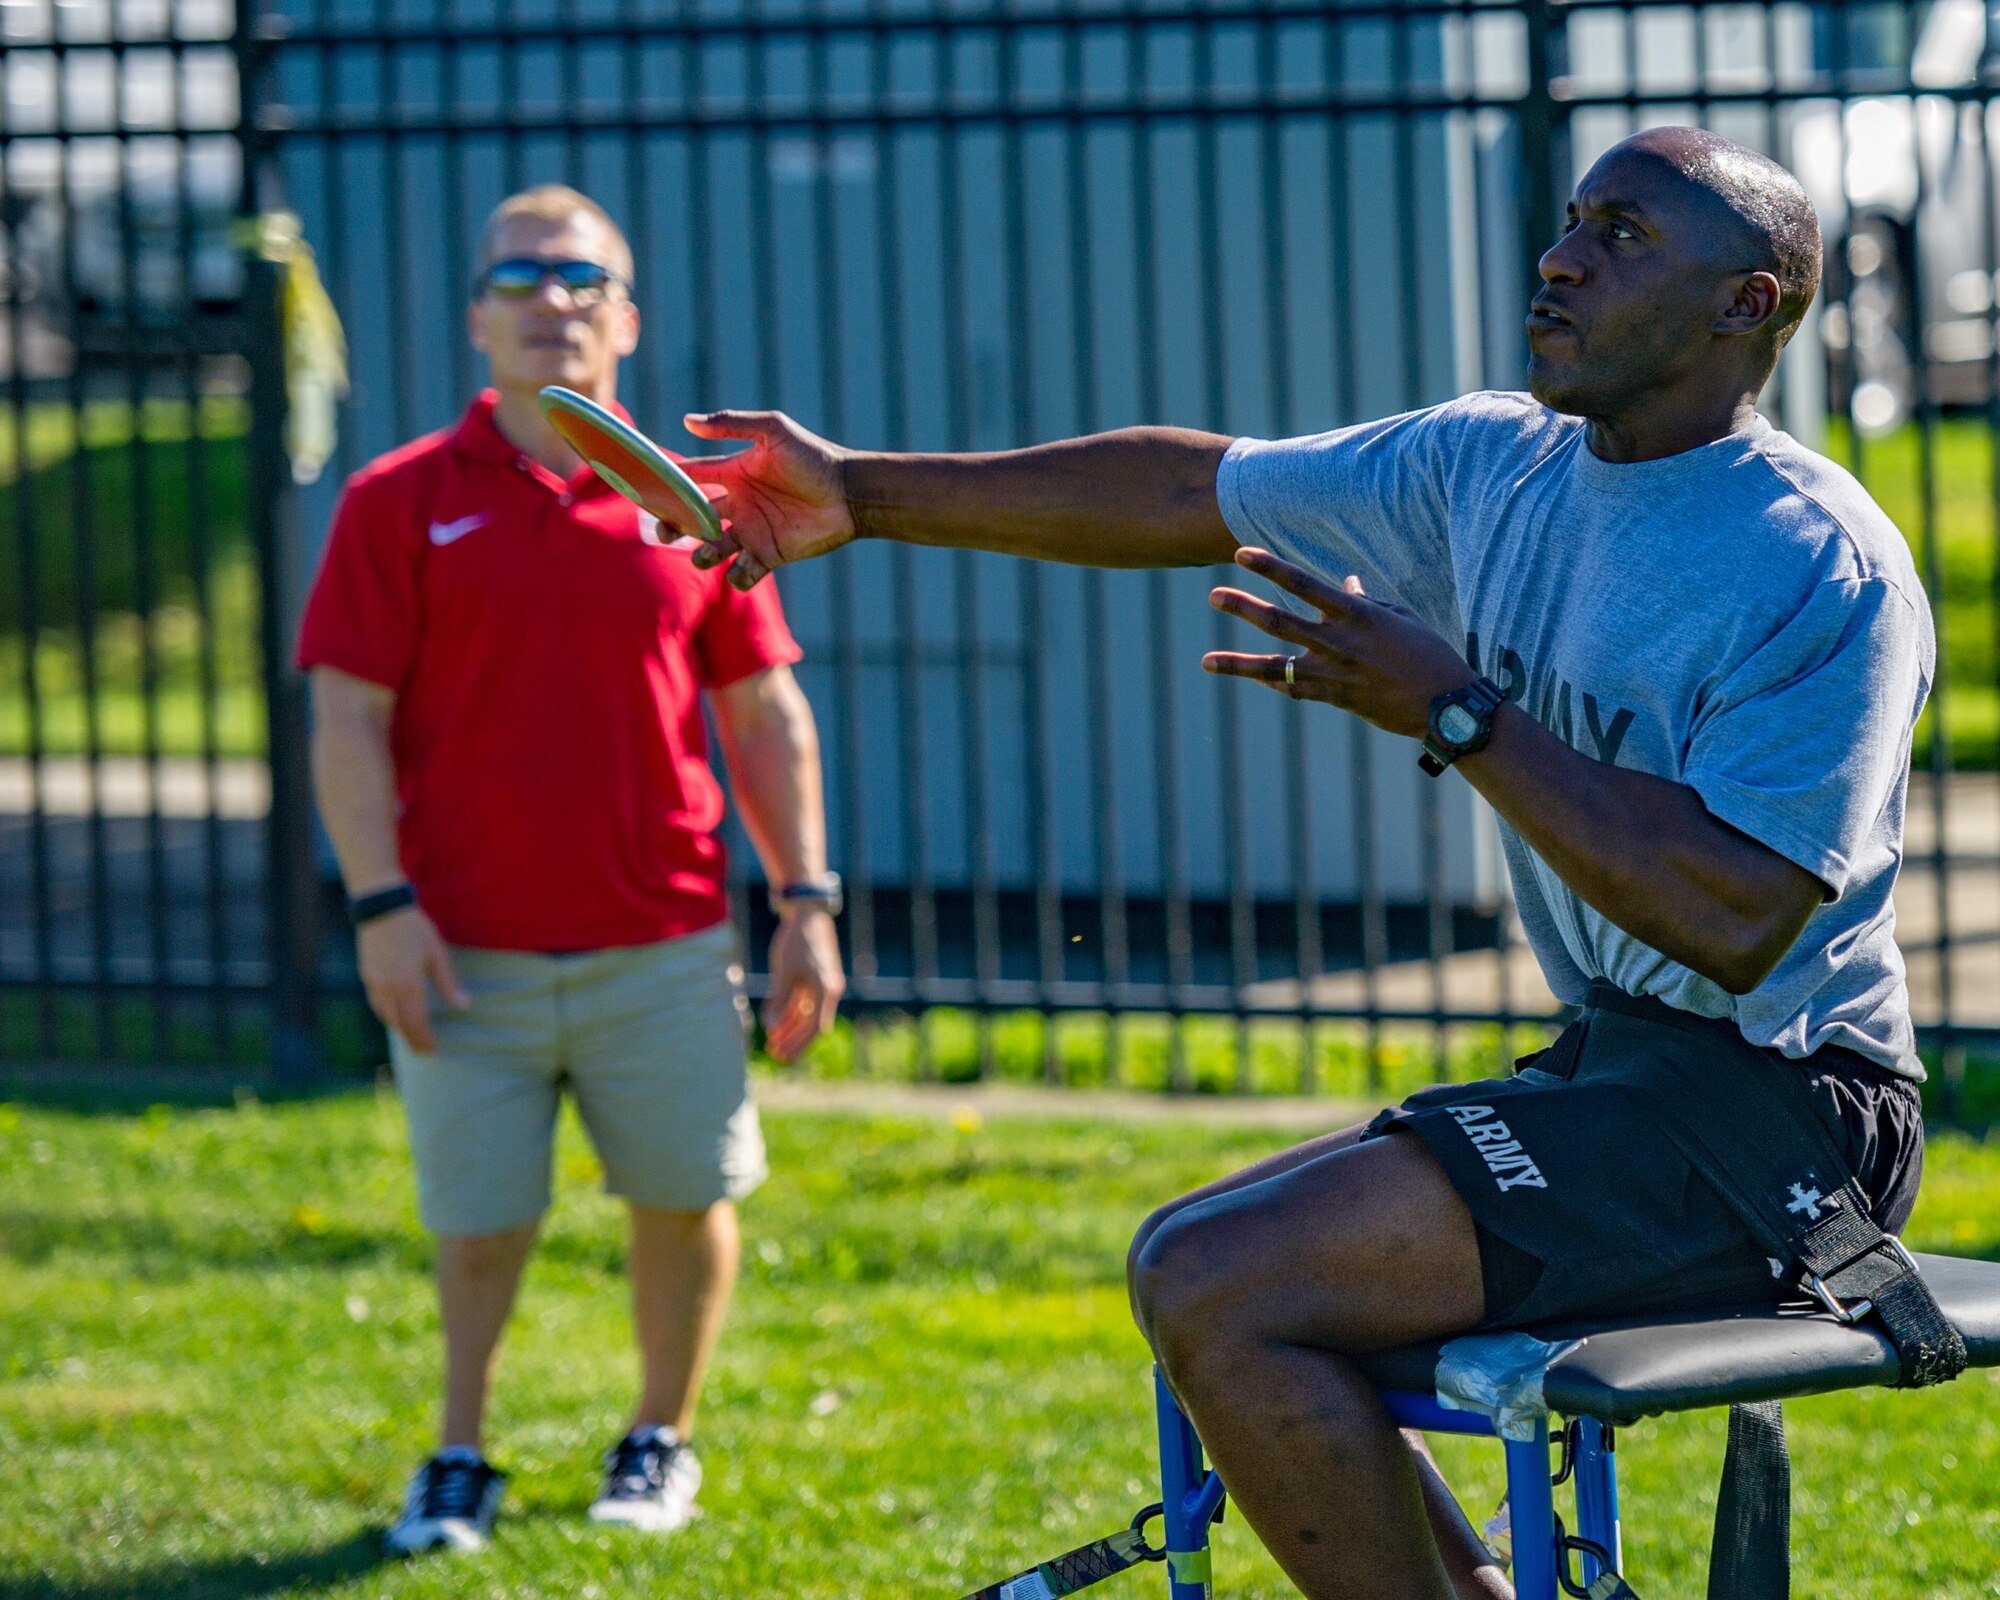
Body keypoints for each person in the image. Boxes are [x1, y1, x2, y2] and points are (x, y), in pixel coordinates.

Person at [647, 128, 1934, 1598]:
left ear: (1745, 306)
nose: (1560, 258)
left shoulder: (1817, 564)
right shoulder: (1491, 463)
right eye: (1574, 219)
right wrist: (861, 492)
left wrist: (1459, 712)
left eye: (1623, 235)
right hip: (1625, 1069)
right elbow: (1196, 488)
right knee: (1189, 1255)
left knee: (1226, 1281)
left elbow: (1739, 917)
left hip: (1793, 1120)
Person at [296, 184, 845, 1556]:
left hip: (661, 942)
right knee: (478, 1224)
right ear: (477, 319)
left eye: (582, 278)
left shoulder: (691, 510)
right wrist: (380, 908)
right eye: (520, 278)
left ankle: (659, 1439)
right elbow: (346, 722)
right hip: (459, 946)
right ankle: (458, 1454)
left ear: (627, 320)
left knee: (682, 1198)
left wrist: (806, 903)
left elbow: (764, 714)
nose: (553, 299)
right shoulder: (394, 501)